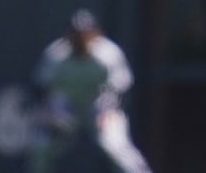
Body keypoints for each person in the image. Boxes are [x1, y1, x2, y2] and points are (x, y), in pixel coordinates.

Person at [30, 9, 153, 173]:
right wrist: (51, 115)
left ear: (96, 33)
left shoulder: (107, 54)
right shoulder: (56, 56)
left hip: (99, 106)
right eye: (76, 34)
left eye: (85, 33)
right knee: (42, 147)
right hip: (67, 107)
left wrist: (107, 111)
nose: (81, 38)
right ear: (68, 35)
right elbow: (41, 87)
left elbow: (121, 87)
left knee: (114, 146)